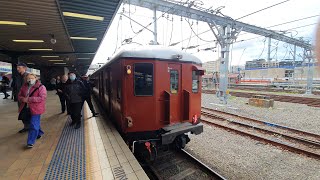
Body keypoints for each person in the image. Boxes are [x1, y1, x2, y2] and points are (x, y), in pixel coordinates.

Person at [18, 73, 47, 148]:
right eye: (28, 78)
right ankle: (39, 133)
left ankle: (30, 142)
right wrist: (22, 99)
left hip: (36, 108)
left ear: (36, 78)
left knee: (33, 125)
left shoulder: (41, 87)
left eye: (32, 78)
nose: (30, 79)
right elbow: (19, 95)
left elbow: (42, 98)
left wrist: (29, 99)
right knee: (34, 123)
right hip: (26, 108)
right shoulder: (24, 86)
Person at [16, 63, 29, 133]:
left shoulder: (28, 76)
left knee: (28, 113)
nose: (18, 69)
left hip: (27, 99)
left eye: (19, 67)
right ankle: (26, 126)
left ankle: (32, 128)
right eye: (17, 68)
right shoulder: (18, 76)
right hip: (20, 98)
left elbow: (32, 87)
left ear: (25, 68)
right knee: (22, 113)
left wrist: (28, 97)